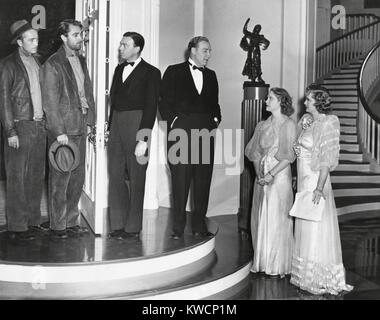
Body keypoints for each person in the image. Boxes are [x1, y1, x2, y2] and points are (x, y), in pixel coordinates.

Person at [290, 83, 353, 295]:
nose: (304, 102)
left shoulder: (329, 122)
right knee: (305, 223)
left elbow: (326, 159)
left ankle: (318, 277)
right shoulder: (308, 122)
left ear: (318, 102)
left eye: (308, 99)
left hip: (316, 179)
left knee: (316, 226)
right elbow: (302, 148)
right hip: (304, 178)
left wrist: (319, 188)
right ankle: (306, 276)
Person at [159, 36, 221, 240]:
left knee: (203, 182)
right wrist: (175, 122)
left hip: (206, 133)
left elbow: (215, 105)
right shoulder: (174, 71)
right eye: (205, 50)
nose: (208, 55)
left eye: (209, 51)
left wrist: (214, 120)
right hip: (180, 134)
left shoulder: (211, 75)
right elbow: (164, 103)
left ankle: (198, 226)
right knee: (180, 181)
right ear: (192, 51)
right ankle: (177, 227)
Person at [40, 19, 96, 239]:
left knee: (77, 178)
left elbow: (87, 91)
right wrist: (59, 131)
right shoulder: (52, 64)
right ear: (64, 37)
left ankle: (71, 222)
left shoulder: (81, 60)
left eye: (80, 34)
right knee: (60, 179)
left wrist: (91, 120)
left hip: (81, 125)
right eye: (75, 35)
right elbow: (49, 103)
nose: (80, 38)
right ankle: (58, 226)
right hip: (63, 130)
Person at [107, 32, 161, 240]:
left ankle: (132, 227)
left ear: (137, 48)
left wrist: (143, 139)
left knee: (137, 177)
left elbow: (151, 107)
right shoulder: (119, 69)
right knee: (115, 174)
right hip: (117, 125)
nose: (120, 48)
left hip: (138, 124)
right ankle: (118, 224)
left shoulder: (151, 72)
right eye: (121, 44)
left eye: (124, 45)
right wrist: (111, 128)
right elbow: (114, 101)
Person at [0, 20, 47, 241]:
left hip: (39, 126)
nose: (36, 43)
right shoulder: (8, 64)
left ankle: (33, 221)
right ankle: (17, 227)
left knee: (36, 176)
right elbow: (4, 101)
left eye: (36, 38)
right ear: (19, 42)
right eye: (31, 39)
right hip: (19, 125)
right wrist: (10, 131)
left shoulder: (38, 62)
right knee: (17, 177)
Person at [245, 87, 296, 277]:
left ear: (281, 102)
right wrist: (259, 173)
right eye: (268, 98)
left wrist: (271, 174)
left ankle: (278, 264)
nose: (266, 101)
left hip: (280, 175)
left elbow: (289, 156)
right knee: (261, 216)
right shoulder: (262, 125)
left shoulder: (289, 125)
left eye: (271, 98)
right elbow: (254, 152)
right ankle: (264, 262)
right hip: (263, 176)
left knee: (277, 218)